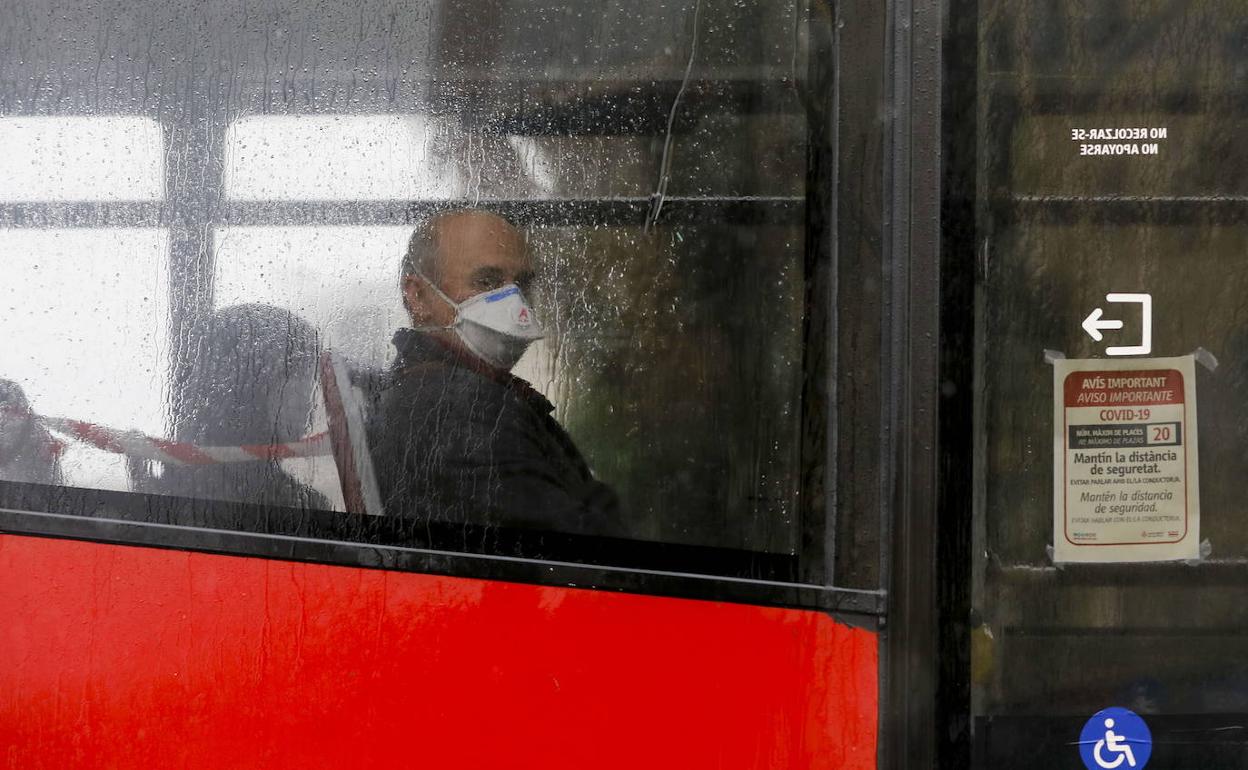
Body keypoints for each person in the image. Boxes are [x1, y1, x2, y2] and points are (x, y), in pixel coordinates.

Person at [366, 209, 621, 535]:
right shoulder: (461, 411)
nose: (515, 305)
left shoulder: (450, 391)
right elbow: (587, 549)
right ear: (418, 295)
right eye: (487, 281)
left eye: (522, 285)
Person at [131, 304, 329, 510]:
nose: (310, 403)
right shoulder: (302, 511)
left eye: (310, 385)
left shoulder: (164, 497)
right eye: (298, 385)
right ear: (250, 393)